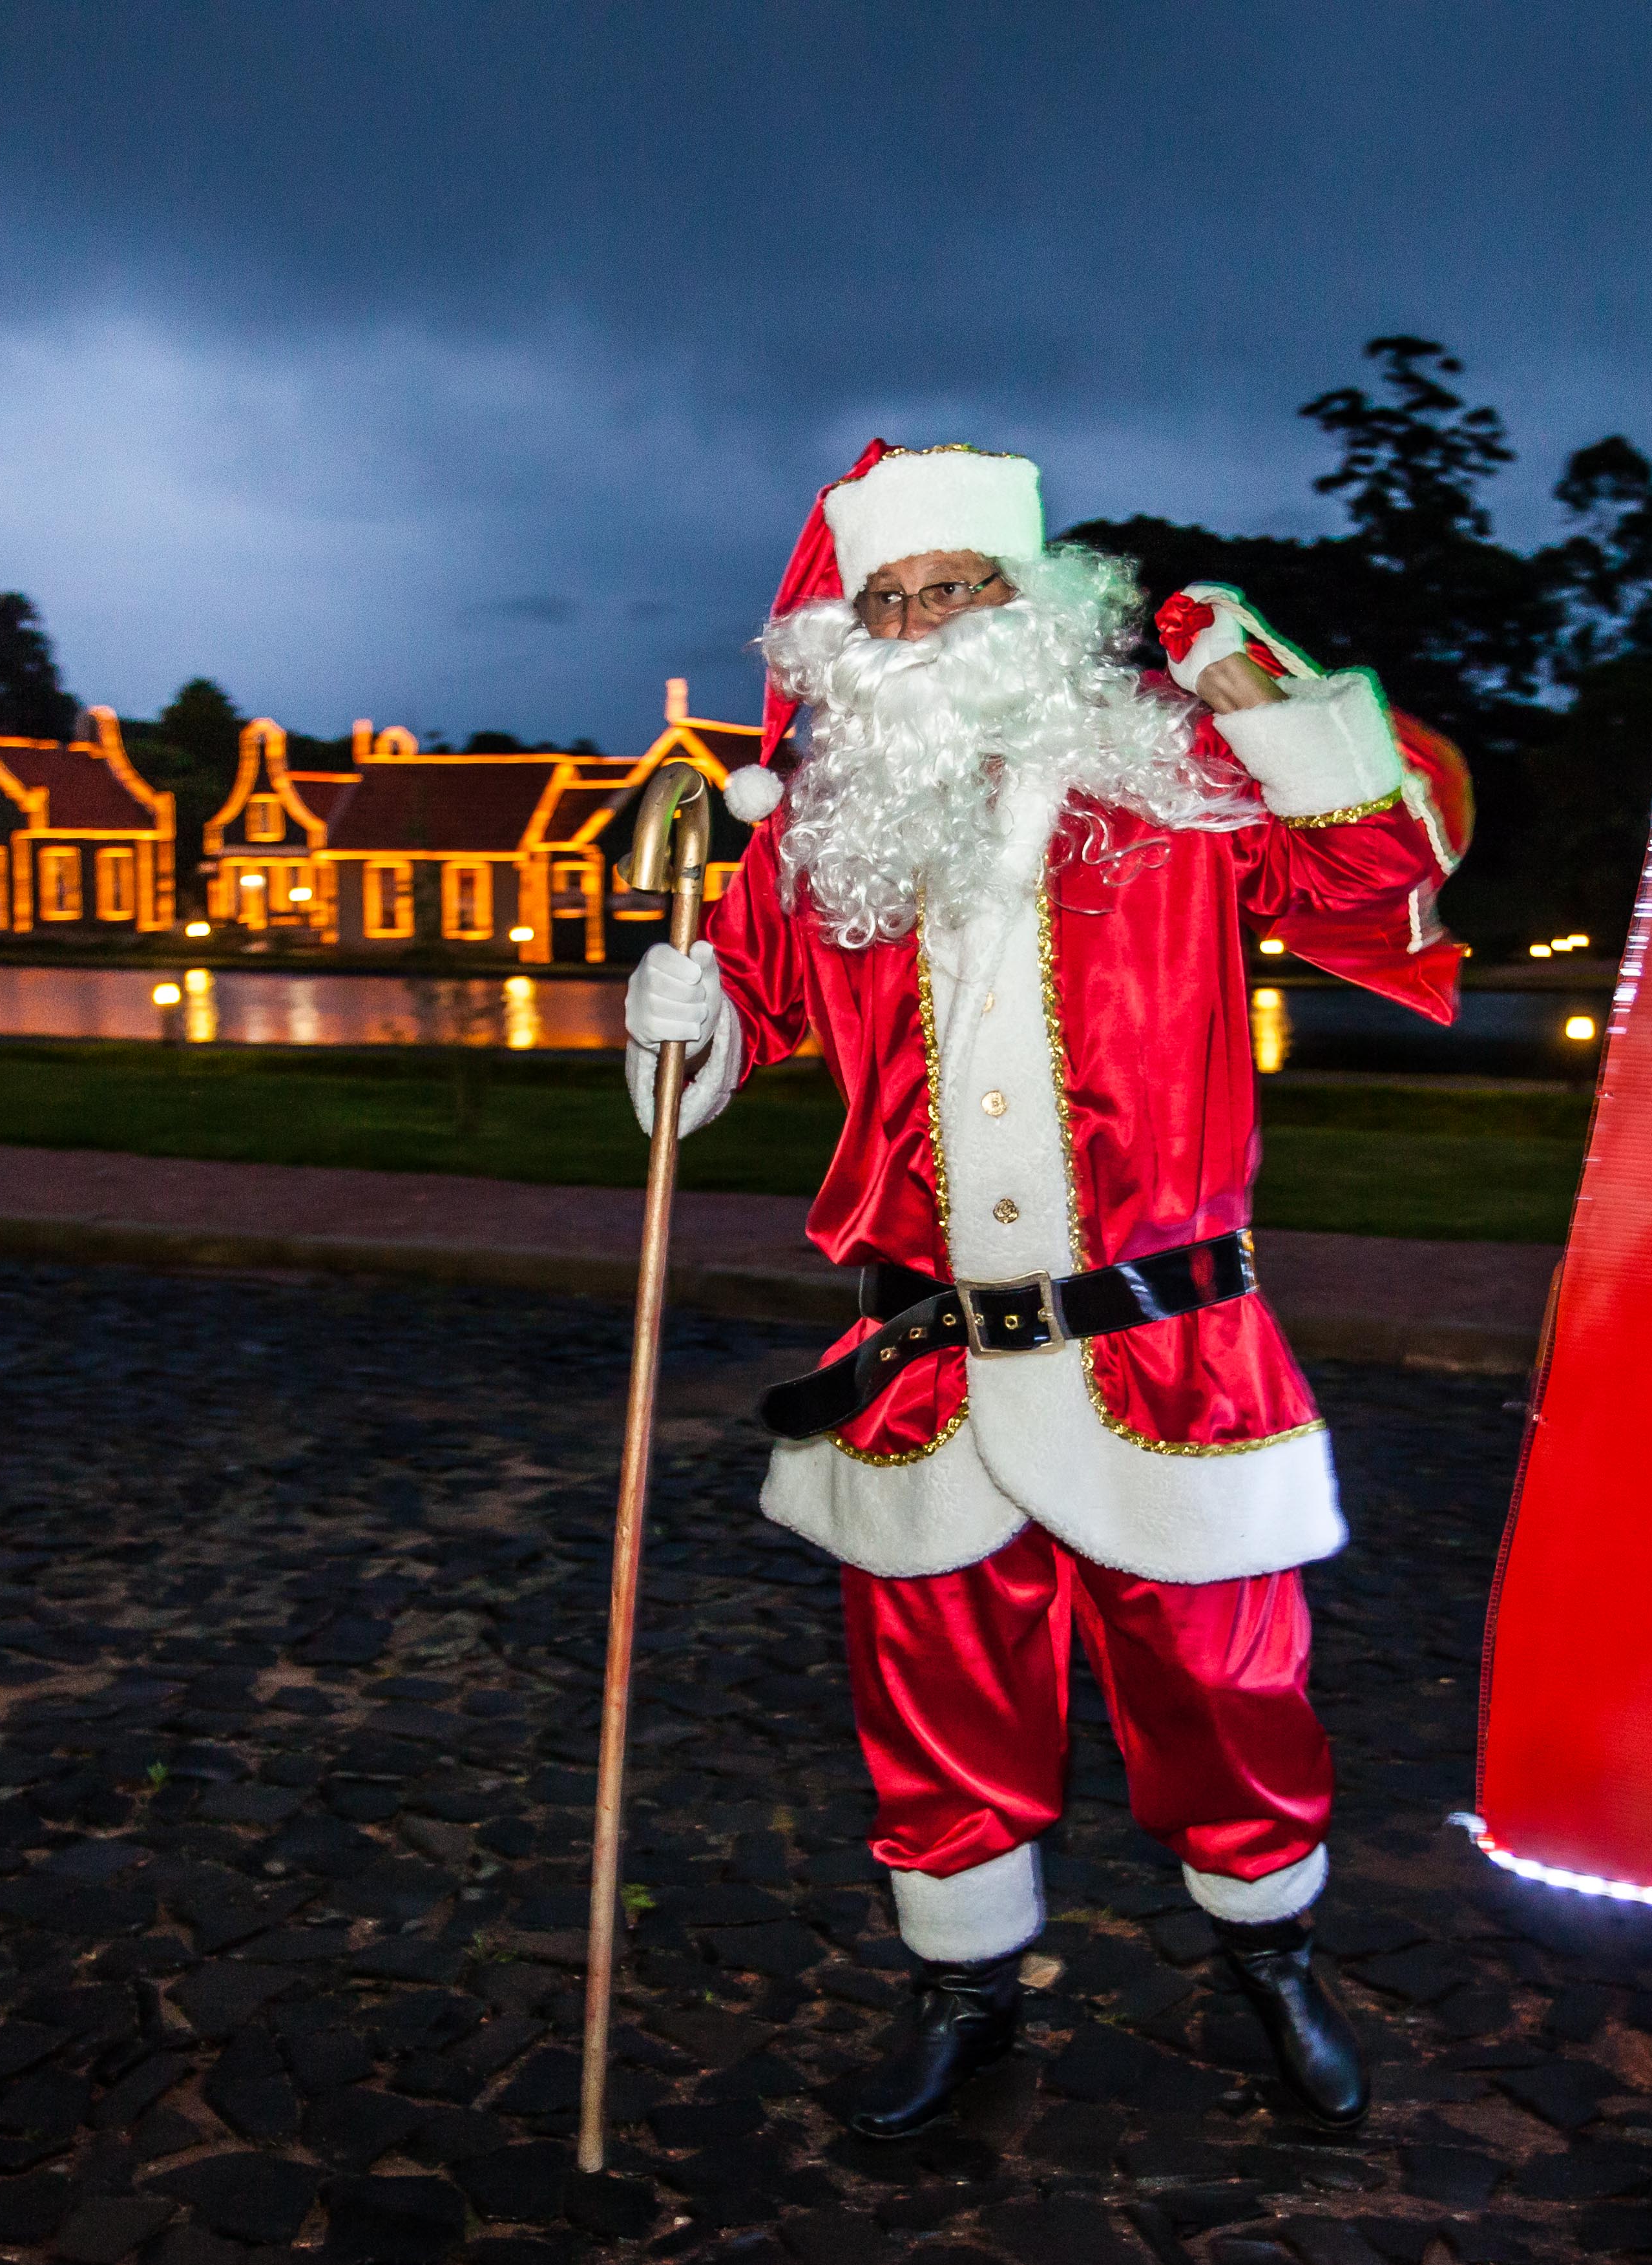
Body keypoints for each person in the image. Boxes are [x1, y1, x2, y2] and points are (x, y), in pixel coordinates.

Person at [625, 441, 1465, 2135]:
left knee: (1229, 1692)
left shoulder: (1184, 779)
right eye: (888, 601)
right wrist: (679, 1019)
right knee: (933, 1705)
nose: (920, 623)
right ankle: (963, 1984)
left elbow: (1382, 879)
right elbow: (715, 1056)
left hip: (1172, 1350)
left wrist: (1263, 685)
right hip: (921, 1367)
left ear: (1035, 605)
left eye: (955, 589)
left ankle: (1271, 1956)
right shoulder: (820, 850)